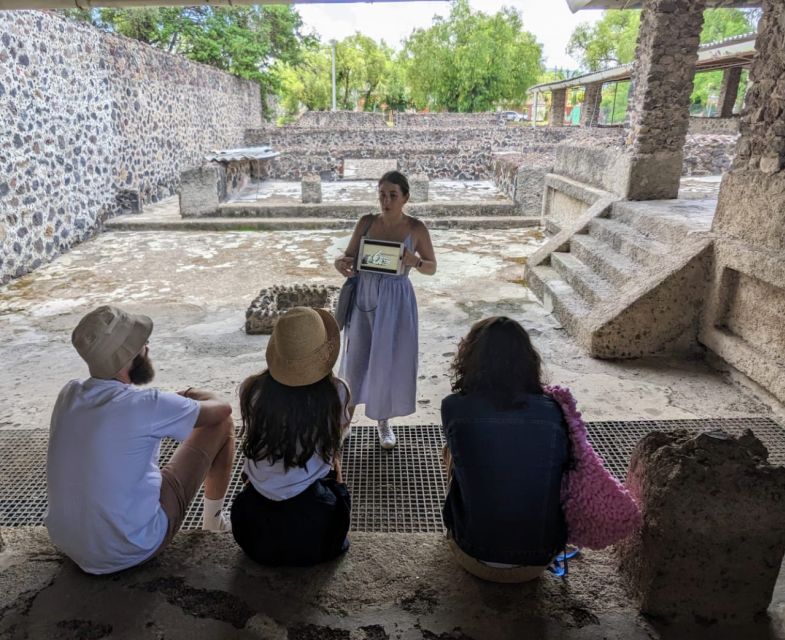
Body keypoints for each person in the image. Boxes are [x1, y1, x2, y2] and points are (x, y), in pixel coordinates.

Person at [46, 305, 234, 575]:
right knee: (221, 425)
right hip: (132, 548)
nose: (146, 345)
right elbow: (223, 409)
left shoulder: (69, 393)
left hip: (69, 544)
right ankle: (214, 522)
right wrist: (190, 393)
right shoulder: (146, 403)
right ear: (129, 354)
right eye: (141, 342)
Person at [441, 316, 569, 583]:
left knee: (452, 451)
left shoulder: (454, 406)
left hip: (473, 552)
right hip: (539, 558)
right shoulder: (555, 410)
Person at [230, 306, 352, 566]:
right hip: (315, 537)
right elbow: (335, 443)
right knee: (335, 461)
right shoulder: (336, 393)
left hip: (253, 534)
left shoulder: (252, 390)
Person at [334, 170, 437, 449]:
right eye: (382, 195)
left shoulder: (416, 229)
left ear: (405, 197)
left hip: (396, 300)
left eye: (393, 195)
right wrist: (341, 263)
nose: (386, 201)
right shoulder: (366, 222)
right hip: (364, 297)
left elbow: (431, 267)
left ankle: (383, 420)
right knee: (356, 358)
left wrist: (414, 261)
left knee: (387, 359)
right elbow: (349, 256)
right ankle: (345, 421)